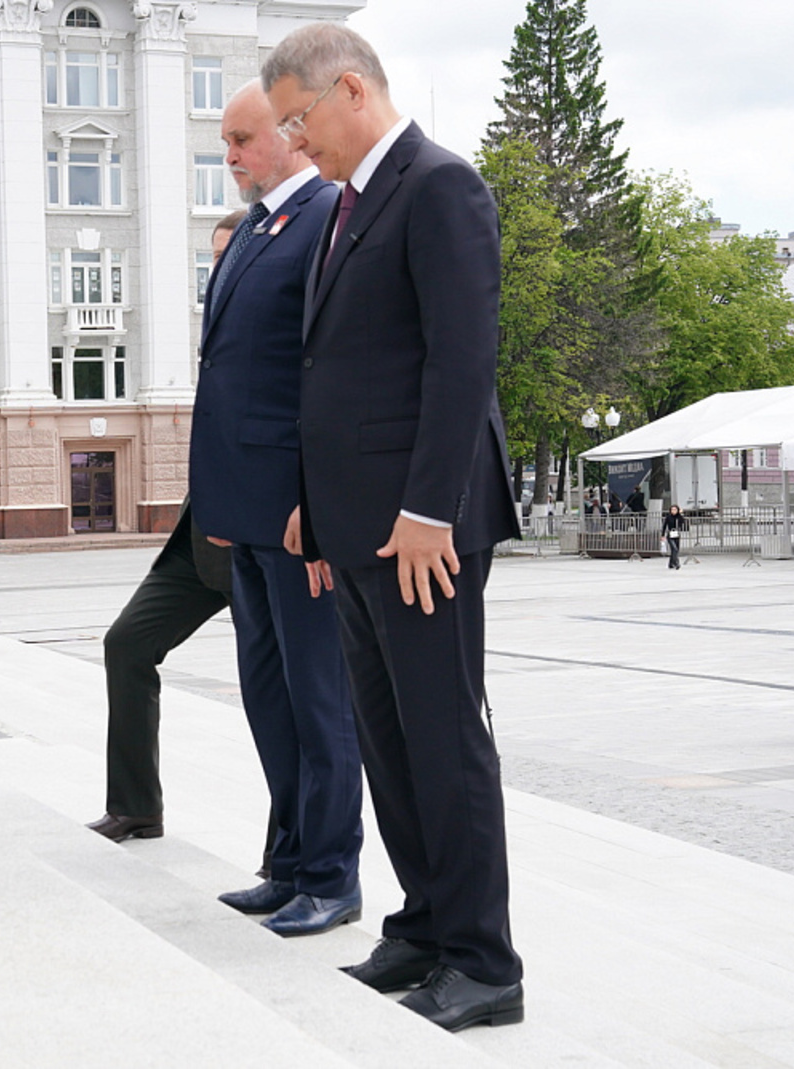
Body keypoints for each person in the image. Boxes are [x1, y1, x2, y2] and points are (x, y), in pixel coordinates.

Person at [265, 23, 524, 1031]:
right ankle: (422, 925)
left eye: (297, 118)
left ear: (349, 92)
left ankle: (484, 961)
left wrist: (426, 513)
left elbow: (461, 364)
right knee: (387, 738)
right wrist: (318, 514)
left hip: (425, 530)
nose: (295, 141)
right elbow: (331, 371)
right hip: (362, 530)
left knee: (443, 737)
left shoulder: (438, 185)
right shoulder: (351, 206)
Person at [190, 84, 361, 938]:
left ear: (293, 137)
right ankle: (289, 861)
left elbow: (324, 374)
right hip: (246, 510)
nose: (231, 155)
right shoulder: (259, 227)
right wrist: (220, 498)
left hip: (296, 517)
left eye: (243, 138)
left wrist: (315, 499)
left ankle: (332, 873)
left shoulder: (329, 214)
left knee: (319, 699)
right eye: (225, 141)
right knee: (268, 696)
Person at [86, 213, 245, 844]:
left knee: (281, 694)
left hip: (262, 540)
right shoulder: (217, 326)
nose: (218, 272)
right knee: (125, 643)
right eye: (210, 261)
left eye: (228, 257)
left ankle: (293, 854)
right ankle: (135, 807)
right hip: (200, 533)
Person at [662, 504, 688, 569]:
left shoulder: (679, 517)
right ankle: (677, 563)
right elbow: (664, 526)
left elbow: (683, 522)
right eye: (672, 510)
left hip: (676, 534)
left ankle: (671, 563)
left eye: (675, 510)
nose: (673, 511)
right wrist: (663, 535)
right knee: (674, 549)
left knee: (676, 550)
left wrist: (681, 514)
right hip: (670, 534)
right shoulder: (668, 517)